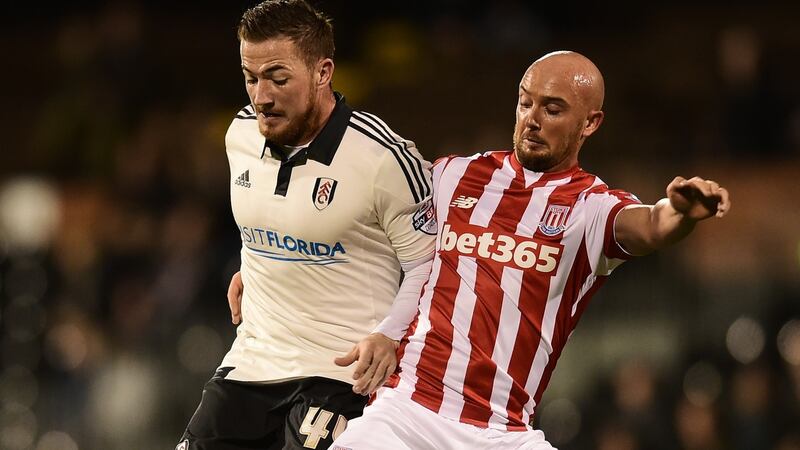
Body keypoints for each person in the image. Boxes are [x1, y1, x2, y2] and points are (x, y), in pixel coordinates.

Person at [330, 50, 732, 449]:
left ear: (590, 123)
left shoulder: (590, 207)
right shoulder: (455, 175)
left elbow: (652, 224)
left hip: (502, 432)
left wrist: (682, 212)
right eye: (526, 103)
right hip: (406, 412)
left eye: (553, 110)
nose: (532, 121)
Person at [177, 1, 436, 449]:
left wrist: (391, 335)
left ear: (323, 72)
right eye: (250, 78)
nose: (261, 96)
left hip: (342, 372)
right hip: (255, 359)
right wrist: (255, 264)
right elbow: (269, 219)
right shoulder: (239, 134)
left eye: (278, 78)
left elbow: (430, 263)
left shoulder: (383, 158)